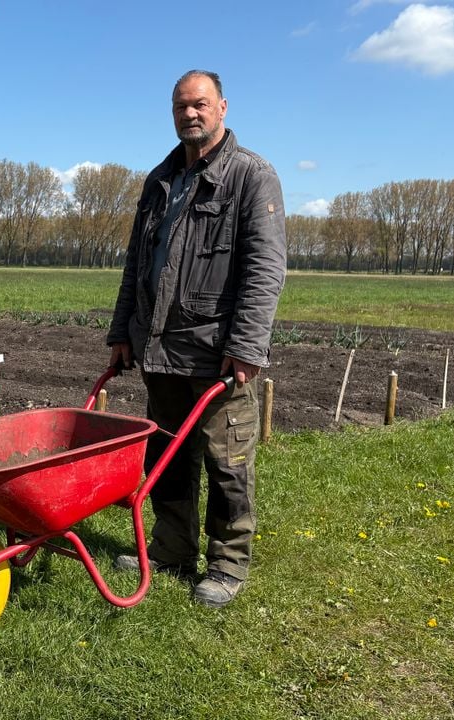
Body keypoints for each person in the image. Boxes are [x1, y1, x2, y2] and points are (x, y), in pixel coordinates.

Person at [107, 70, 286, 608]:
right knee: (164, 456)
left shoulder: (251, 176)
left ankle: (227, 563)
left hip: (216, 352)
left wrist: (247, 346)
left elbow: (265, 268)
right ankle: (172, 548)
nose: (190, 114)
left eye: (200, 104)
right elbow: (137, 264)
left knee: (227, 463)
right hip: (159, 348)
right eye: (181, 106)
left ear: (223, 107)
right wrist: (122, 331)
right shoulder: (160, 180)